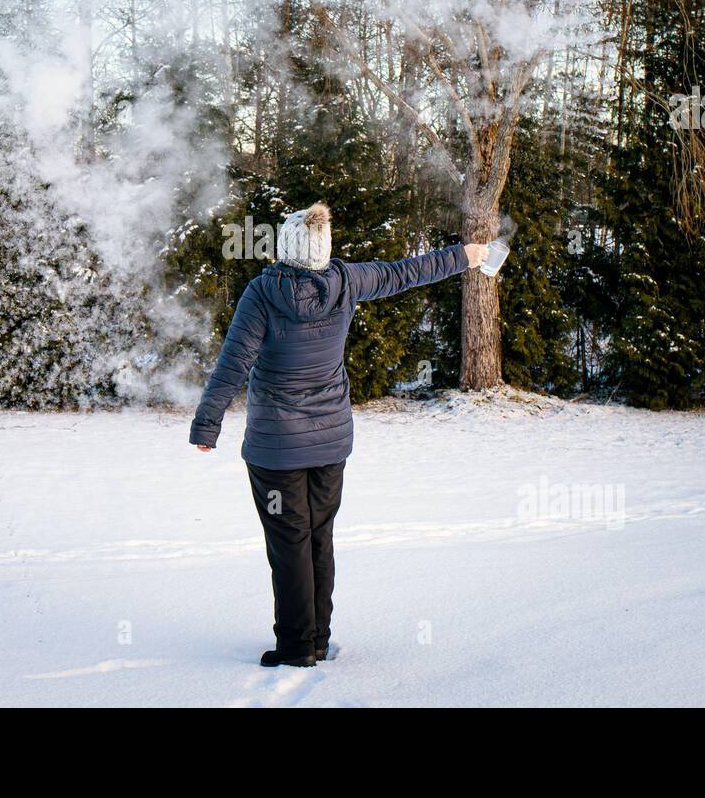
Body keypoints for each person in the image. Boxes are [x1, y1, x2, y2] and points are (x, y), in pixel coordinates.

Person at [189, 202, 490, 668]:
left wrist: (208, 423)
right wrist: (466, 255)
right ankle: (317, 641)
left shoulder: (263, 293)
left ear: (286, 247)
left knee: (290, 541)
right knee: (319, 536)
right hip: (330, 443)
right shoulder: (347, 281)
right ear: (324, 247)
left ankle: (295, 647)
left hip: (277, 447)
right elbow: (408, 270)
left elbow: (234, 363)